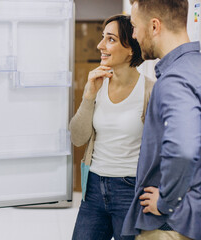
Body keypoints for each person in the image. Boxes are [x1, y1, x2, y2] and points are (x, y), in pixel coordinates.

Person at [69, 14, 154, 240]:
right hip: (94, 188)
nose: (100, 45)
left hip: (131, 190)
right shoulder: (97, 85)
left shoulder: (151, 91)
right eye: (102, 38)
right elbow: (77, 137)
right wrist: (88, 96)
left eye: (110, 39)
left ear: (130, 48)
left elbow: (164, 150)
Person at [122, 1, 201, 240]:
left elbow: (183, 149)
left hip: (170, 226)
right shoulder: (195, 67)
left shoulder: (174, 79)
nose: (133, 35)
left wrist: (166, 200)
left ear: (155, 26)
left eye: (135, 27)